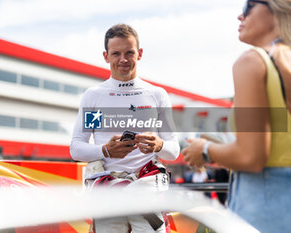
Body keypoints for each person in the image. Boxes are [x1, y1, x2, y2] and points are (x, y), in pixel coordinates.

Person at [181, 0, 291, 232]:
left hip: (264, 208)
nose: (240, 16)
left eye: (248, 6)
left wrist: (203, 149)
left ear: (277, 9)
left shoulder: (252, 61)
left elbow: (252, 157)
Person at [70, 24, 180, 233]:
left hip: (147, 190)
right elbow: (76, 148)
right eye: (116, 53)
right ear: (106, 56)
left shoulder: (156, 95)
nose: (123, 59)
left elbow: (174, 150)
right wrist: (105, 151)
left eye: (129, 52)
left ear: (139, 54)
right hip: (108, 191)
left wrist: (158, 145)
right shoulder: (95, 96)